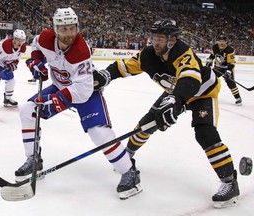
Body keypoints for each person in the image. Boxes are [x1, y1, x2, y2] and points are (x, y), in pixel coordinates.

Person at [93, 19, 240, 208]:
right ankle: (127, 156)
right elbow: (124, 66)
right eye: (154, 38)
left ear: (173, 40)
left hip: (203, 92)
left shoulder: (183, 52)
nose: (156, 43)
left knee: (205, 133)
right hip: (176, 93)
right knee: (146, 124)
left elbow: (190, 80)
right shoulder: (148, 55)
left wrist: (175, 102)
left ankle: (229, 182)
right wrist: (106, 75)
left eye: (161, 38)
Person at [15, 7, 141, 200]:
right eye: (64, 29)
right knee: (27, 111)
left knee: (98, 131)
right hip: (61, 87)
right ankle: (33, 159)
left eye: (72, 28)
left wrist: (53, 101)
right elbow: (36, 45)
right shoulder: (46, 38)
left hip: (86, 92)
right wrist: (36, 61)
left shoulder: (80, 51)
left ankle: (129, 172)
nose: (69, 34)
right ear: (56, 29)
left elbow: (81, 92)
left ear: (77, 27)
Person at [206, 35, 242, 106]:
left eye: (223, 41)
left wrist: (228, 71)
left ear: (226, 42)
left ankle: (238, 98)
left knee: (230, 83)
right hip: (217, 68)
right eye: (220, 41)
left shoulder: (230, 50)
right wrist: (209, 63)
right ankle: (205, 94)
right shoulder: (215, 47)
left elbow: (231, 63)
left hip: (226, 68)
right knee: (208, 79)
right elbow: (212, 56)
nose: (221, 43)